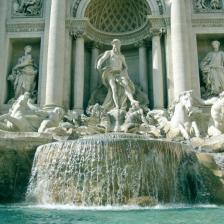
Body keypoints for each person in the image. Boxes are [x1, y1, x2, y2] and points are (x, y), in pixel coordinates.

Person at [96, 39, 139, 111]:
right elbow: (102, 59)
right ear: (113, 45)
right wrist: (99, 64)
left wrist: (125, 74)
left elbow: (125, 66)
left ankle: (132, 100)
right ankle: (117, 106)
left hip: (119, 73)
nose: (116, 46)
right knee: (114, 88)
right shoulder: (109, 53)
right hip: (110, 72)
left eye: (118, 45)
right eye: (115, 44)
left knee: (126, 84)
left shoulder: (121, 56)